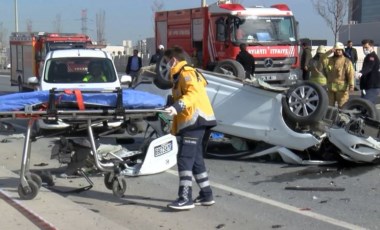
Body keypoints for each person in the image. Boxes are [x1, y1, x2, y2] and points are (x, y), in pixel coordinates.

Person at [163, 46, 217, 211]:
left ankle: (185, 198)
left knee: (185, 159)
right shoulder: (180, 75)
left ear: (173, 60)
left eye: (166, 62)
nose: (165, 66)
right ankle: (206, 194)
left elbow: (192, 94)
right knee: (196, 160)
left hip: (194, 121)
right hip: (196, 122)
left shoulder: (186, 73)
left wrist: (178, 106)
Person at [325, 42, 355, 108]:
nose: (338, 51)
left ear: (343, 50)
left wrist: (351, 85)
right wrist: (329, 52)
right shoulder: (329, 60)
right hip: (331, 89)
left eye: (340, 50)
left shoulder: (347, 61)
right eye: (336, 49)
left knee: (342, 108)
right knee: (329, 108)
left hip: (342, 90)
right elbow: (322, 59)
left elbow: (351, 74)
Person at [357, 39, 380, 104]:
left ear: (372, 47)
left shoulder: (372, 57)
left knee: (366, 105)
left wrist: (361, 73)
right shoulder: (368, 56)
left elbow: (369, 67)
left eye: (366, 47)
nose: (364, 49)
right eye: (363, 47)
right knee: (366, 106)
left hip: (372, 86)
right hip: (367, 86)